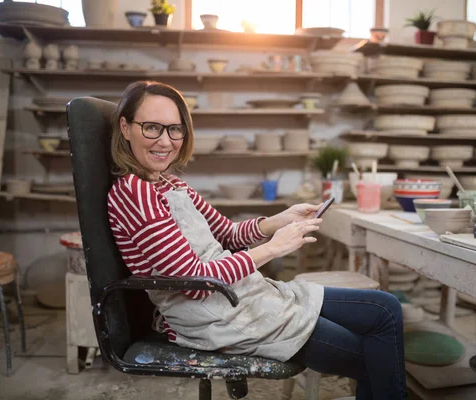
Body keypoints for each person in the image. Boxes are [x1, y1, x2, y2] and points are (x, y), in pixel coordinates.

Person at [106, 81, 406, 399]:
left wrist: (279, 220)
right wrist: (274, 247)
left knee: (385, 308)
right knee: (375, 358)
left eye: (174, 130)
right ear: (125, 128)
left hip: (241, 294)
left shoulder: (171, 183)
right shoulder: (134, 192)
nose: (165, 141)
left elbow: (229, 234)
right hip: (212, 314)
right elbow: (192, 281)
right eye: (151, 128)